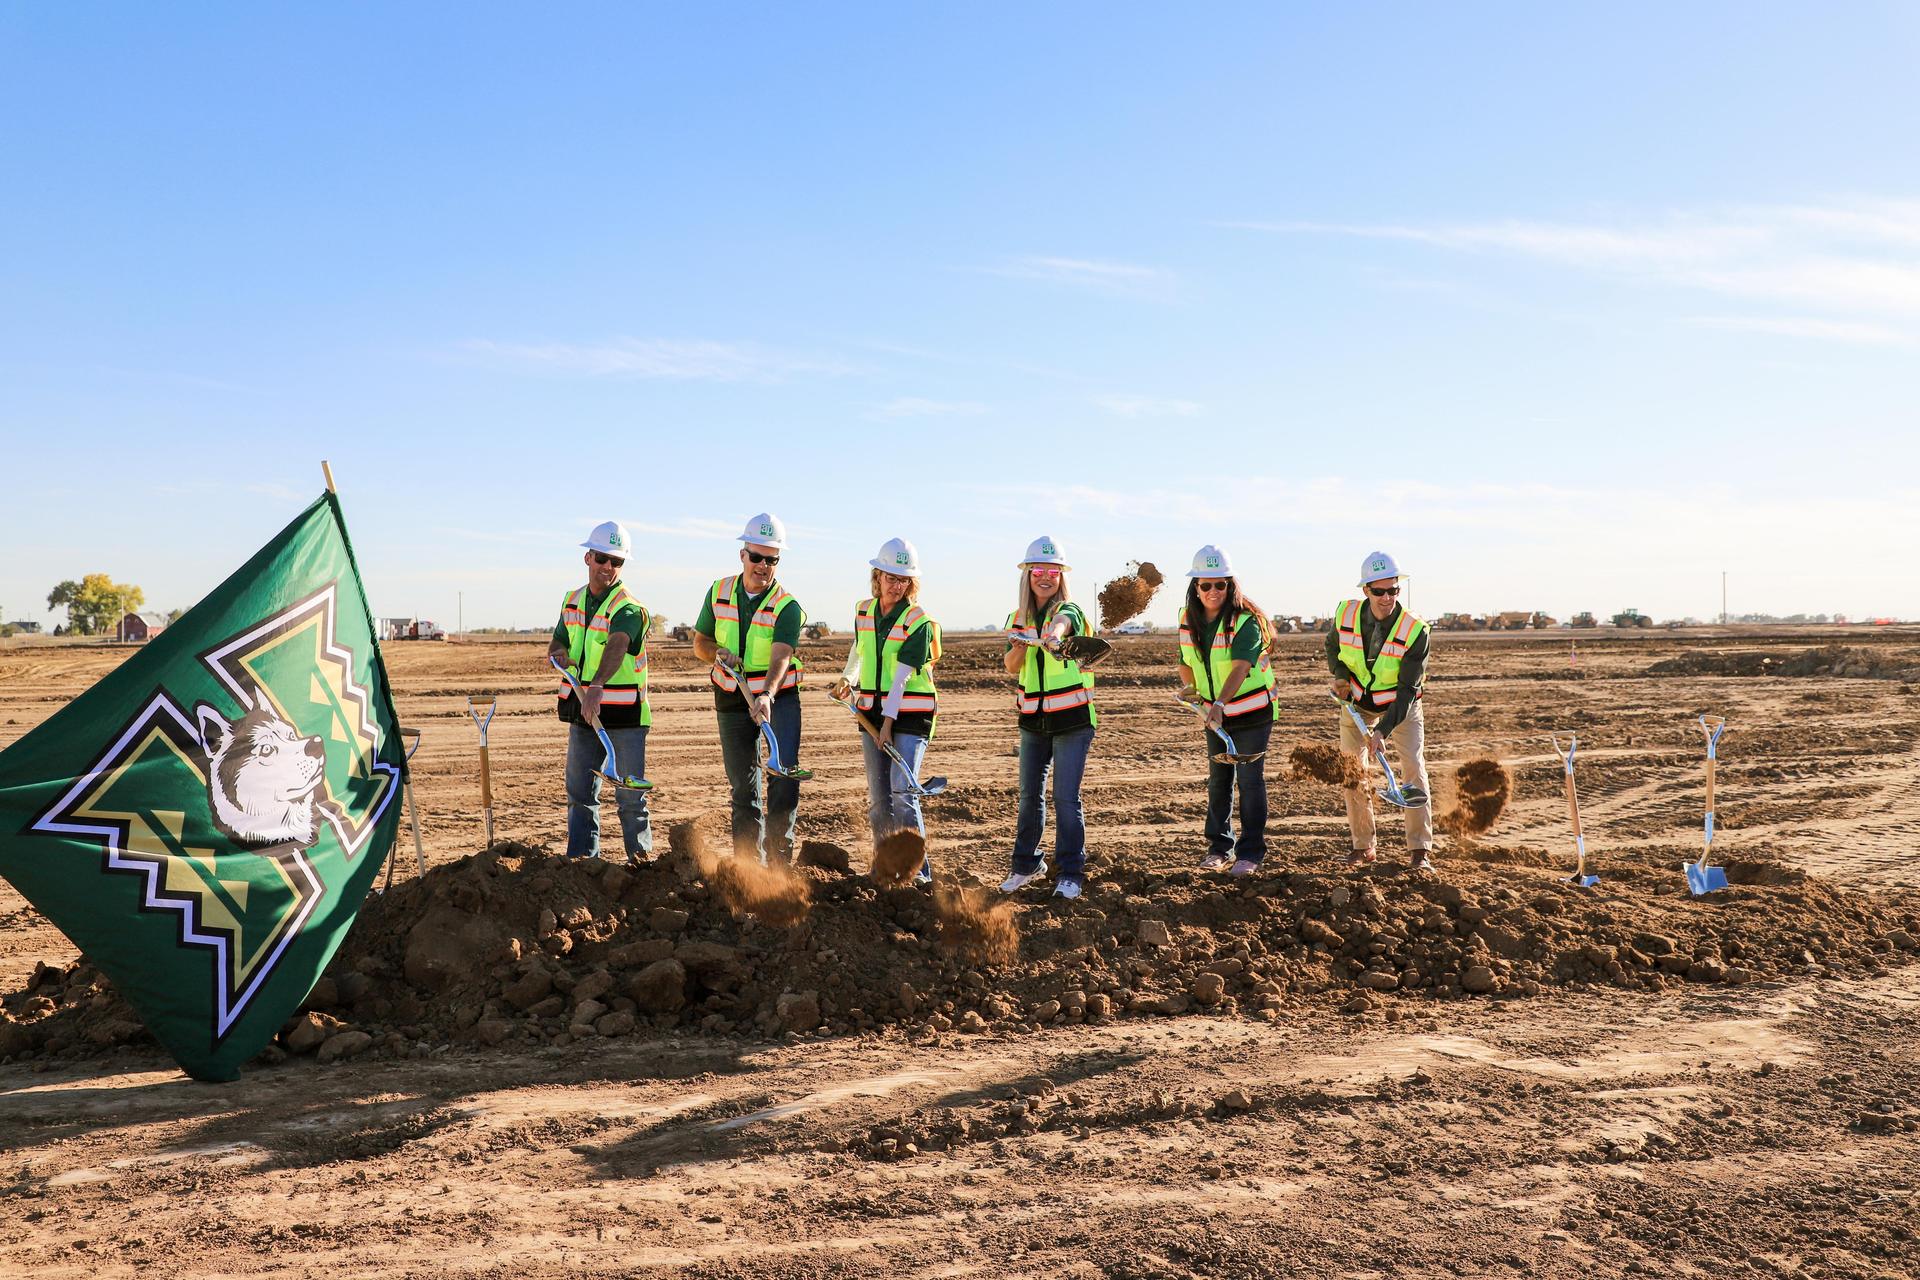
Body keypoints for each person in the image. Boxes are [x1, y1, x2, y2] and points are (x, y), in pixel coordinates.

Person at [692, 513, 807, 864]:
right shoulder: (719, 591)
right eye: (756, 557)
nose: (762, 565)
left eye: (771, 559)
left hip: (778, 700)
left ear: (778, 561)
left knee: (783, 778)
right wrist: (717, 653)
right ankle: (747, 868)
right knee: (743, 787)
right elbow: (700, 644)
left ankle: (779, 865)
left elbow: (781, 656)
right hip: (730, 697)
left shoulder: (787, 607)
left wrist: (767, 695)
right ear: (743, 555)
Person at [829, 537, 942, 886]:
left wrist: (889, 724)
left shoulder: (918, 621)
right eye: (891, 577)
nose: (897, 585)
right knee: (879, 801)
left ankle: (918, 875)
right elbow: (859, 653)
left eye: (904, 579)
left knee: (902, 793)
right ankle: (884, 871)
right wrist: (848, 679)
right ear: (877, 575)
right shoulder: (864, 610)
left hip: (910, 713)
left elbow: (902, 679)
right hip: (872, 712)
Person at [547, 520, 653, 862]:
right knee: (579, 793)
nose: (609, 567)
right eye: (603, 559)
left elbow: (618, 644)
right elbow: (559, 640)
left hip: (625, 714)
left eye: (617, 562)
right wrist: (557, 653)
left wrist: (597, 686)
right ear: (588, 557)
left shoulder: (629, 608)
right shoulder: (573, 600)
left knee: (629, 797)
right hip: (584, 714)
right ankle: (582, 862)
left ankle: (641, 865)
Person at [999, 536, 1098, 899]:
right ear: (1027, 575)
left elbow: (1061, 624)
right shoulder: (1017, 618)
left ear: (1061, 576)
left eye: (1052, 571)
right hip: (1033, 722)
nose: (1045, 577)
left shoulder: (1070, 610)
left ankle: (1070, 873)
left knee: (1066, 799)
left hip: (1072, 720)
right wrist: (1020, 645)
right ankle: (1026, 865)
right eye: (1038, 570)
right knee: (1029, 797)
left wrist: (1051, 637)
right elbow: (1012, 667)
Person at [1327, 550, 1434, 871]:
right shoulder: (1345, 614)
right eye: (1379, 591)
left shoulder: (1415, 630)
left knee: (1413, 768)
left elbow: (1407, 690)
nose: (1387, 597)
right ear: (1366, 591)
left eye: (1393, 590)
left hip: (1400, 708)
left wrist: (1382, 732)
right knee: (1353, 773)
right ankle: (1363, 846)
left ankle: (1420, 850)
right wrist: (1341, 676)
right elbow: (1333, 646)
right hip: (1357, 704)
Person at [1174, 545, 1276, 877]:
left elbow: (1240, 667)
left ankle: (1250, 853)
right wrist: (1193, 692)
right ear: (1195, 587)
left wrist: (1218, 704)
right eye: (1206, 585)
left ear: (1230, 586)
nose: (1214, 592)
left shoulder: (1245, 621)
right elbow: (1187, 662)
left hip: (1250, 712)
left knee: (1249, 780)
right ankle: (1219, 848)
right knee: (1219, 781)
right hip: (1214, 714)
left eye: (1221, 585)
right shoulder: (1186, 619)